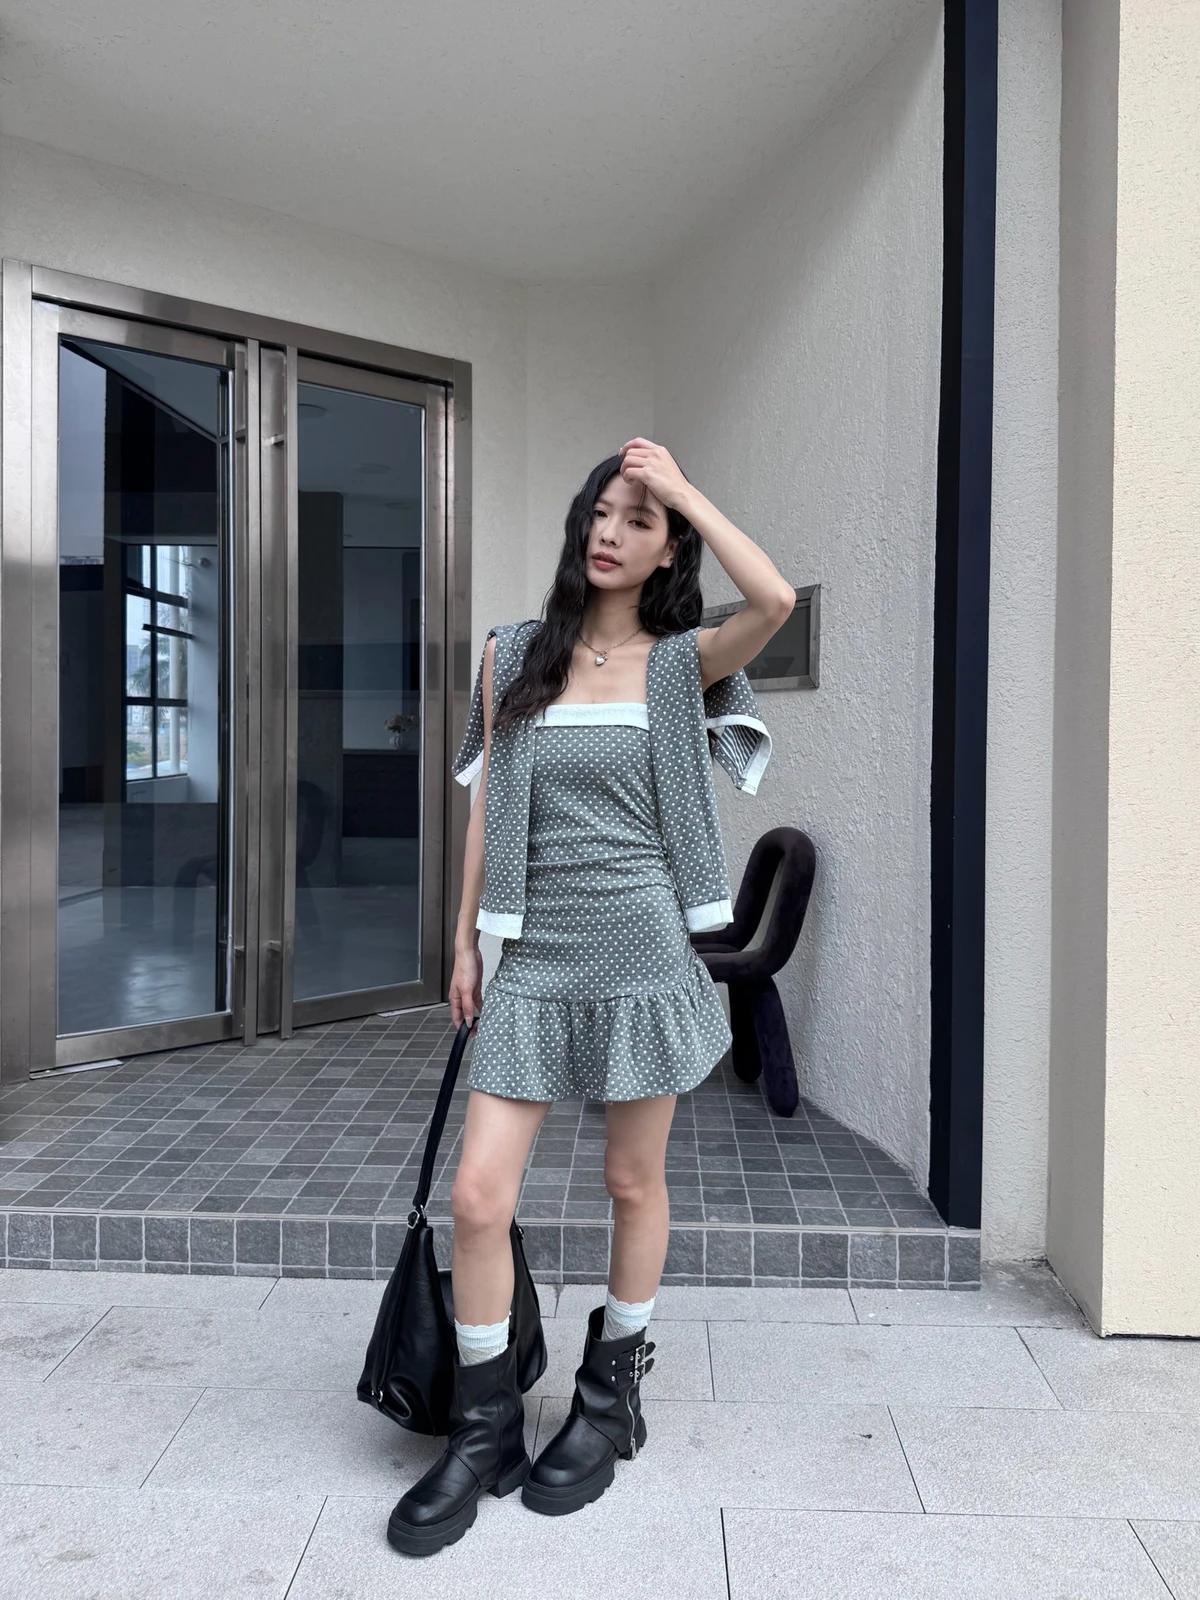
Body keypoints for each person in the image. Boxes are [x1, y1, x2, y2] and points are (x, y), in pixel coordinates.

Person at [387, 437, 794, 1557]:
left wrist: (685, 489)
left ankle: (611, 1401)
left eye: (638, 519)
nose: (610, 531)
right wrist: (464, 940)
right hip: (534, 953)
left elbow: (772, 598)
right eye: (601, 512)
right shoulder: (514, 653)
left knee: (630, 1180)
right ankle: (483, 1429)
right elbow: (486, 807)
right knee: (478, 1196)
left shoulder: (679, 664)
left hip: (643, 950)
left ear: (668, 550)